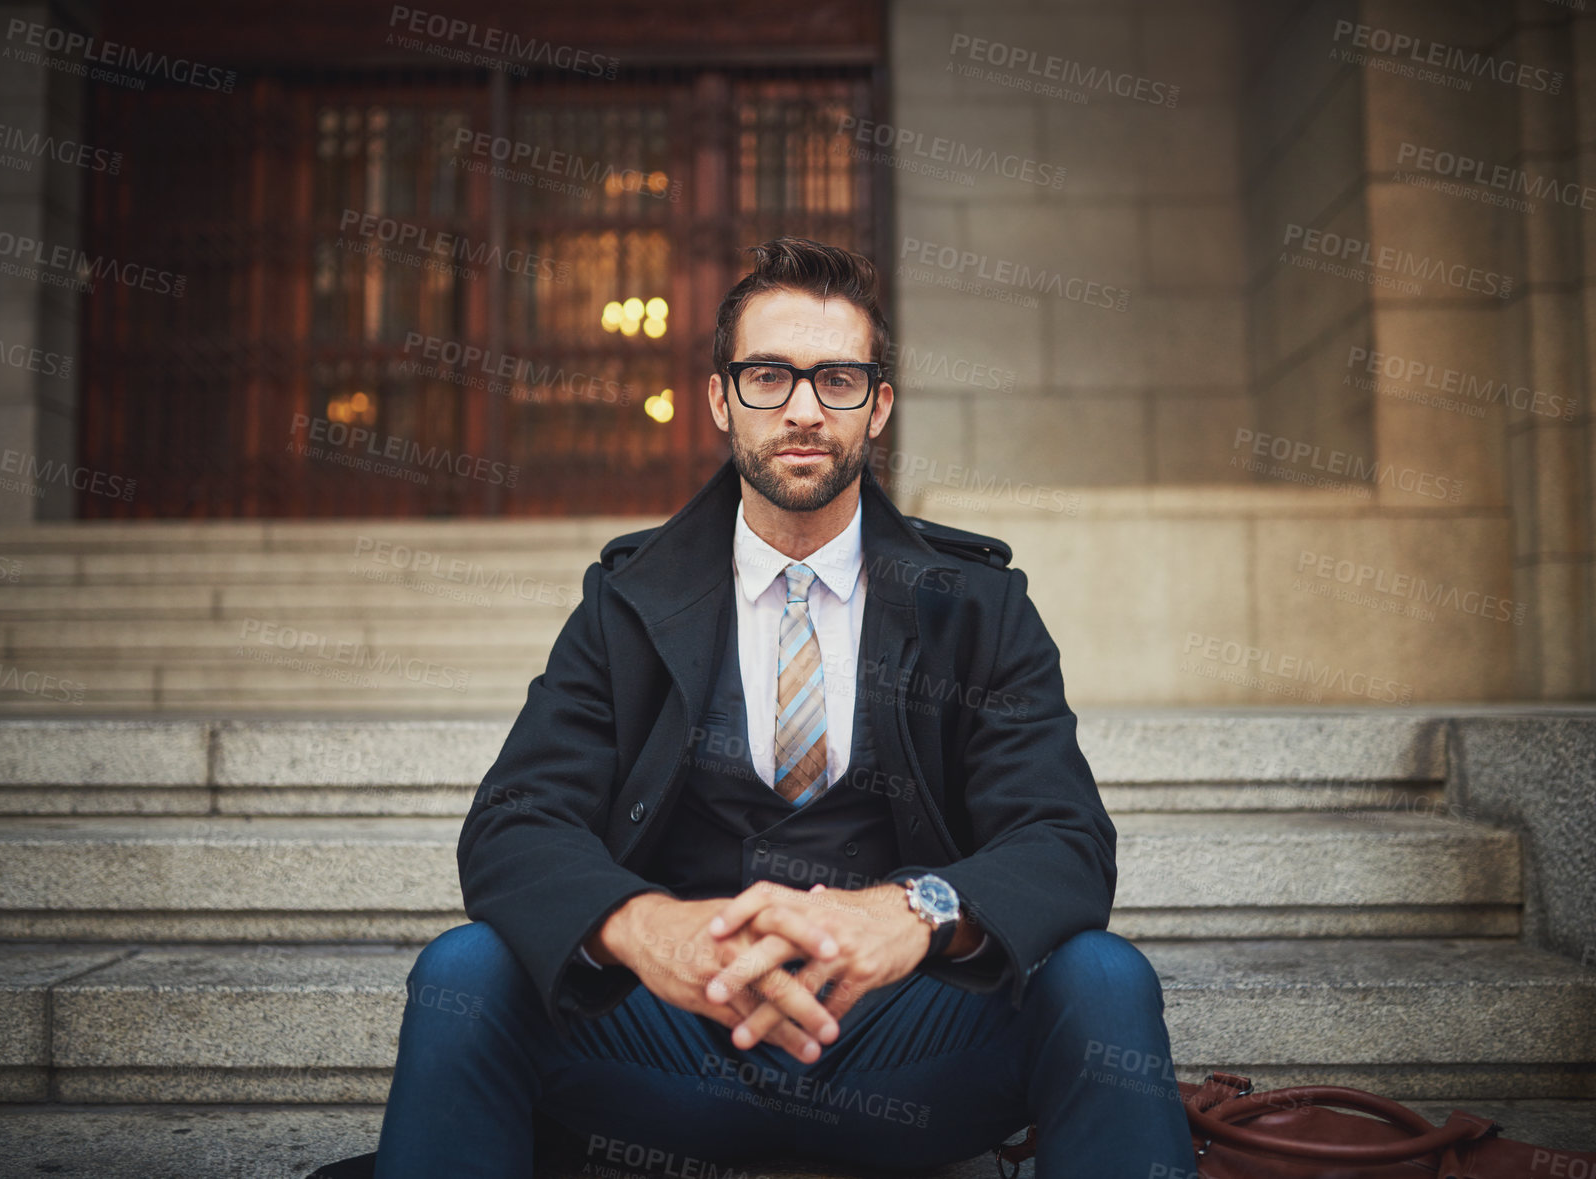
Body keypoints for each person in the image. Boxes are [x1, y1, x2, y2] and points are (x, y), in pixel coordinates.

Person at [373, 237, 1197, 1178]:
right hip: (669, 1047)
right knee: (464, 971)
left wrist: (912, 912)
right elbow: (513, 826)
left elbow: (1063, 838)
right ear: (721, 396)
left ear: (877, 405)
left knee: (1102, 977)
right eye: (768, 375)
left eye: (837, 379)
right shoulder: (626, 603)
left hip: (907, 1053)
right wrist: (648, 928)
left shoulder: (978, 604)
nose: (804, 410)